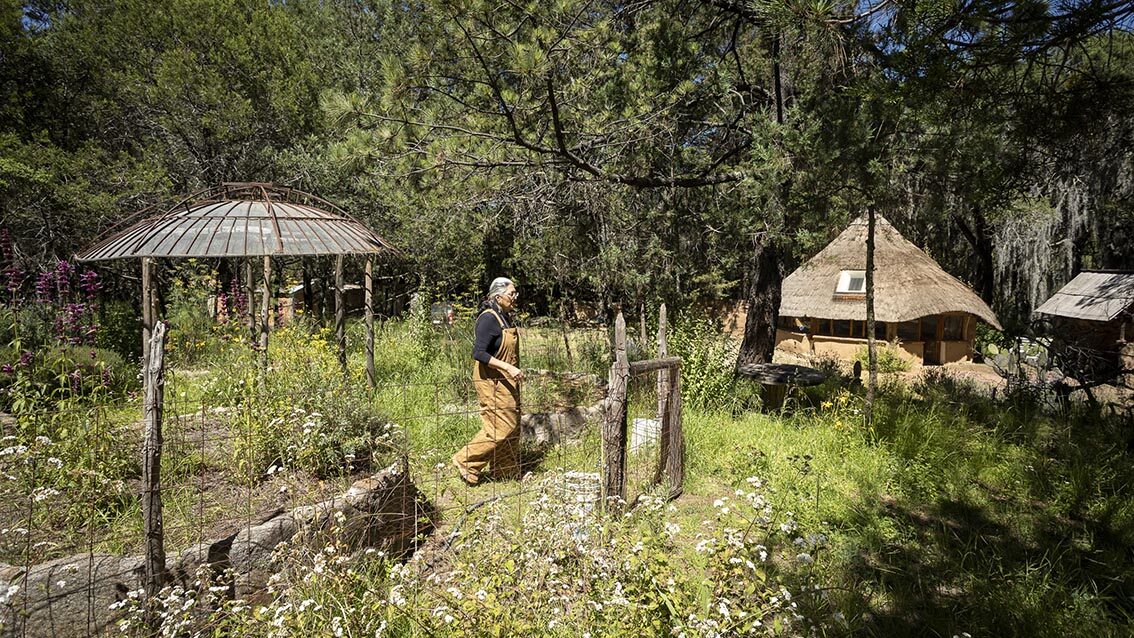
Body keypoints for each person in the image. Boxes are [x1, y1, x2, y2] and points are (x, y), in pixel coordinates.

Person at [452, 277, 523, 485]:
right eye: (512, 294)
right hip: (491, 381)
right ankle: (466, 460)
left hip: (506, 380)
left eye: (515, 293)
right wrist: (508, 367)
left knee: (513, 425)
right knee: (500, 426)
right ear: (498, 296)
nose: (515, 297)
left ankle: (504, 469)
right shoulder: (488, 318)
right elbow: (479, 353)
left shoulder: (505, 317)